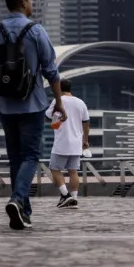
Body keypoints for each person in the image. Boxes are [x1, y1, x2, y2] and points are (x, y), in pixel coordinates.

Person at [0, 0, 64, 230]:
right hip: (32, 104)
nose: (32, 3)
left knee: (16, 157)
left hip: (6, 106)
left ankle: (23, 212)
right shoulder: (36, 31)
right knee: (31, 155)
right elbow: (51, 70)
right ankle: (18, 199)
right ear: (22, 2)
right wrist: (59, 102)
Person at [46, 79, 90, 208]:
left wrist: (58, 120)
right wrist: (85, 140)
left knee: (54, 168)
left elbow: (52, 121)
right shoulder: (80, 102)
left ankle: (65, 195)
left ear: (59, 88)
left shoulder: (58, 101)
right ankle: (74, 199)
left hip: (62, 141)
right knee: (73, 171)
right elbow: (86, 122)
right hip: (76, 142)